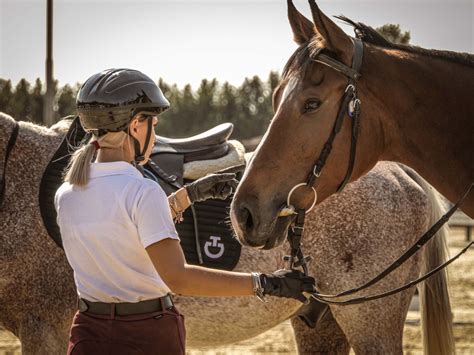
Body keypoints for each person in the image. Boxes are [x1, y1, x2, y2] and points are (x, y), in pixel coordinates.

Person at [54, 68, 316, 355]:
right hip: (148, 335)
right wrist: (266, 283)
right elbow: (178, 278)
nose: (155, 134)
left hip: (89, 333)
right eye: (153, 123)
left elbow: (120, 227)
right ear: (136, 125)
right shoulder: (143, 192)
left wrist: (189, 195)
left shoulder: (66, 194)